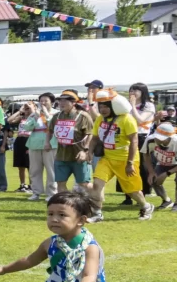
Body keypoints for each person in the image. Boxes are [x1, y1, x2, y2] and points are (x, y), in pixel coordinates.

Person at [88, 87, 152, 221]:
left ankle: (145, 206)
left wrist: (130, 163)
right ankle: (97, 214)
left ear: (114, 106)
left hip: (126, 159)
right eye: (101, 106)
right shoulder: (100, 119)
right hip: (107, 158)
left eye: (106, 106)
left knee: (132, 190)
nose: (103, 109)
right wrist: (89, 152)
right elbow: (94, 138)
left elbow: (134, 141)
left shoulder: (126, 119)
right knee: (97, 185)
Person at [51, 90, 94, 193]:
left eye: (65, 101)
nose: (61, 103)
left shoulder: (83, 116)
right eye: (60, 101)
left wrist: (85, 151)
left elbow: (91, 134)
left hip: (78, 156)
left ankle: (97, 203)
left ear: (74, 103)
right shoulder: (56, 116)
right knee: (60, 184)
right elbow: (49, 130)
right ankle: (68, 206)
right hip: (61, 156)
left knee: (84, 184)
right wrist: (47, 142)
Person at [20, 94, 58, 201]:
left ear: (52, 102)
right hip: (35, 144)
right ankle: (36, 192)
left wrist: (46, 114)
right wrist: (35, 117)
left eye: (46, 101)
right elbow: (26, 127)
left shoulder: (56, 113)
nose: (43, 103)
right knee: (35, 169)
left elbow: (54, 125)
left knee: (51, 169)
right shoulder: (35, 114)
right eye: (41, 101)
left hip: (51, 144)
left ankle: (52, 193)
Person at [142, 121, 177, 210]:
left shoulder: (176, 142)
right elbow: (146, 154)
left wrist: (167, 173)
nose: (157, 140)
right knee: (153, 180)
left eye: (161, 138)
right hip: (162, 163)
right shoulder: (150, 139)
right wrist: (151, 172)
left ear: (169, 137)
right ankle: (166, 201)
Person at [6, 103, 32, 193]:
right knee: (20, 165)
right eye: (26, 108)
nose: (27, 110)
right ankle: (22, 185)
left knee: (30, 165)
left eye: (28, 108)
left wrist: (32, 111)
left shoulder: (35, 117)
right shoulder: (21, 118)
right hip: (20, 140)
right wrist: (19, 112)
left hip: (30, 140)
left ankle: (32, 185)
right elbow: (9, 120)